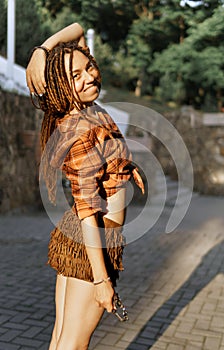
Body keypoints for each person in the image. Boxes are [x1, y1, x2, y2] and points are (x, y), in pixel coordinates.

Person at [26, 23, 144, 350]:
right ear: (61, 88)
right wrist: (102, 280)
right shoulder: (79, 131)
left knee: (62, 338)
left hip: (77, 234)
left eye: (88, 68)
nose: (89, 77)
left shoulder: (86, 110)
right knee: (73, 344)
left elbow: (77, 30)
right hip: (93, 240)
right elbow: (90, 212)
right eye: (75, 77)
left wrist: (43, 49)